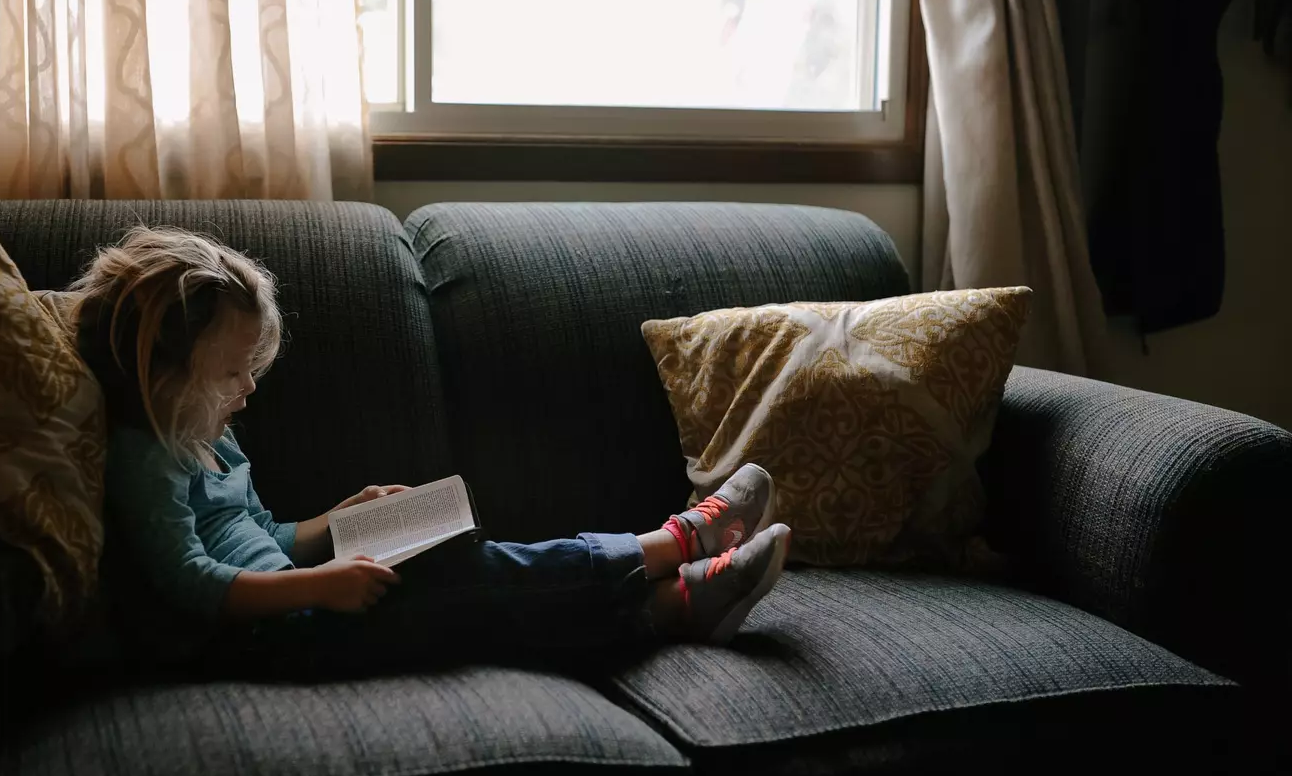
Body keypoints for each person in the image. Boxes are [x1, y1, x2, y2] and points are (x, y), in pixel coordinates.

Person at [71, 226, 791, 670]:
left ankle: (677, 603)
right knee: (466, 583)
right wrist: (322, 583)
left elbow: (261, 537)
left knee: (463, 571)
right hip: (270, 639)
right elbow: (193, 582)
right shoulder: (144, 456)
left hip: (296, 605)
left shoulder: (208, 434)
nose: (246, 393)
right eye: (230, 374)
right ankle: (675, 545)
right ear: (163, 373)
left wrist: (336, 520)